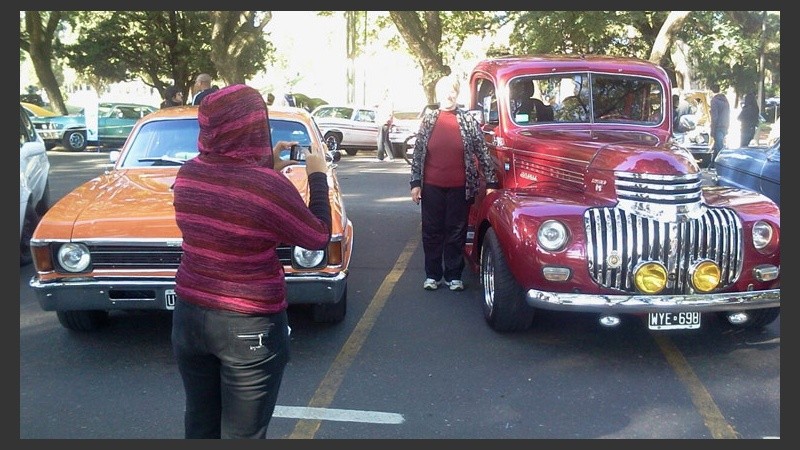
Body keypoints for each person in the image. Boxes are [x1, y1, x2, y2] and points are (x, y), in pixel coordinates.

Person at [171, 84, 332, 439]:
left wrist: (264, 166)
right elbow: (317, 236)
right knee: (243, 435)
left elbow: (230, 191)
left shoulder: (188, 175)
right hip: (248, 323)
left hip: (189, 316)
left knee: (200, 423)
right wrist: (317, 175)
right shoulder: (266, 186)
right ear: (254, 125)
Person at [409, 74, 500, 291]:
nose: (448, 95)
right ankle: (432, 275)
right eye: (445, 91)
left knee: (456, 231)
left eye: (452, 90)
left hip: (461, 186)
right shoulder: (429, 119)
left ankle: (453, 276)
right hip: (431, 185)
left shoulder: (468, 120)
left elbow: (482, 151)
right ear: (439, 94)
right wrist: (415, 182)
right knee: (431, 231)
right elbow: (419, 152)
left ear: (457, 94)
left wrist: (491, 182)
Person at [708, 82, 730, 169]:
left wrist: (712, 130)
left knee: (720, 147)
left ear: (711, 91)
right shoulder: (725, 100)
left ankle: (724, 164)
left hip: (718, 126)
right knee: (717, 146)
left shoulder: (714, 101)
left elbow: (714, 117)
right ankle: (713, 164)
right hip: (724, 125)